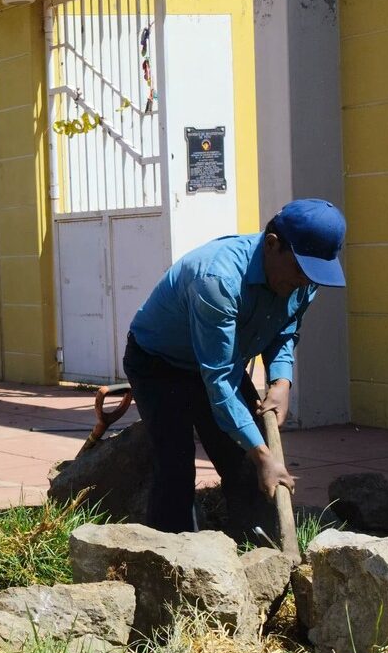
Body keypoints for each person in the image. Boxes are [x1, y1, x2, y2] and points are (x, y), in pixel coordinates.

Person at [122, 198, 346, 537]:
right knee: (176, 464)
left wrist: (282, 381)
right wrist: (263, 455)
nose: (306, 282)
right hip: (159, 363)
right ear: (272, 245)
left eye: (314, 274)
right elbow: (221, 381)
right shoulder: (218, 280)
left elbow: (284, 328)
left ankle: (259, 549)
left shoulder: (305, 277)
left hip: (218, 359)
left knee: (243, 464)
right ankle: (174, 560)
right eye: (301, 271)